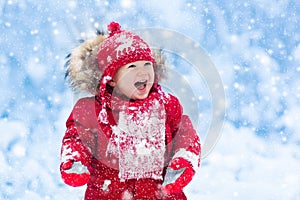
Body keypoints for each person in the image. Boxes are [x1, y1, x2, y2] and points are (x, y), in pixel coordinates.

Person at [60, 22, 201, 200]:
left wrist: (183, 161)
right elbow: (77, 139)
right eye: (131, 67)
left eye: (146, 64)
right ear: (111, 79)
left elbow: (186, 137)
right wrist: (75, 160)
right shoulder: (91, 111)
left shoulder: (166, 106)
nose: (142, 71)